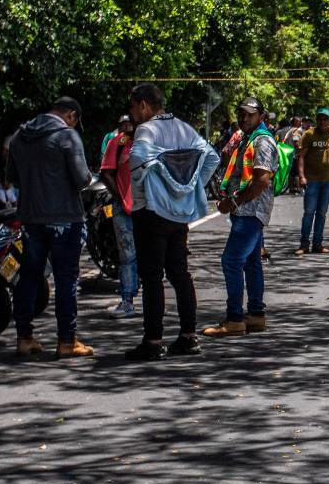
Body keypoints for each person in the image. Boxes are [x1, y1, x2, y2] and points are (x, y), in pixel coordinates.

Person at [125, 83, 219, 360]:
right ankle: (188, 337)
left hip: (151, 211)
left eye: (132, 108)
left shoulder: (146, 129)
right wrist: (189, 189)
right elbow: (211, 157)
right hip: (179, 215)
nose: (131, 114)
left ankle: (153, 341)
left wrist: (151, 183)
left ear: (143, 105)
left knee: (152, 278)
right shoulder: (184, 128)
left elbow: (138, 158)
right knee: (180, 274)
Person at [7, 96, 93, 357]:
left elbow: (12, 177)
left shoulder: (18, 137)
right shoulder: (67, 136)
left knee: (29, 277)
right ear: (72, 115)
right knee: (66, 279)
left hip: (31, 218)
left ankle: (24, 338)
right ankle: (67, 341)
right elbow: (81, 179)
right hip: (65, 219)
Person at [203, 96, 278, 338]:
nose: (244, 118)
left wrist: (234, 201)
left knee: (231, 261)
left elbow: (261, 180)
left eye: (250, 114)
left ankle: (235, 318)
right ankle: (256, 315)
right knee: (251, 262)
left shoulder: (263, 141)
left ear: (261, 116)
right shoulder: (246, 138)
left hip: (250, 212)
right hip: (245, 211)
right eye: (241, 114)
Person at [100, 114, 138, 318]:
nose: (128, 125)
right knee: (128, 256)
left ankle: (152, 301)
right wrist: (121, 198)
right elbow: (105, 173)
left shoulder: (149, 140)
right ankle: (127, 300)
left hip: (148, 209)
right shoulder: (117, 142)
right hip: (123, 209)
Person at [295, 108, 329, 255]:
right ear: (317, 120)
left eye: (326, 119)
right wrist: (301, 176)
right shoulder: (309, 134)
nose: (323, 122)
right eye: (320, 119)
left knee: (322, 213)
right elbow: (301, 157)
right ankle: (304, 244)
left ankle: (317, 244)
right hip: (312, 179)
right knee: (309, 212)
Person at [282, 116, 305, 194]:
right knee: (296, 173)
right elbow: (296, 143)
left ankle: (291, 188)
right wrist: (300, 151)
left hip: (289, 154)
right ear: (294, 122)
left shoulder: (289, 130)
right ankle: (298, 188)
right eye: (298, 121)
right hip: (295, 154)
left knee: (291, 172)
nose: (300, 123)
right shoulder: (295, 131)